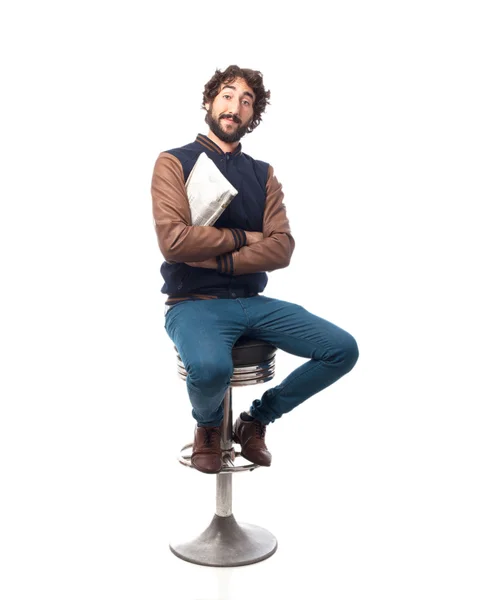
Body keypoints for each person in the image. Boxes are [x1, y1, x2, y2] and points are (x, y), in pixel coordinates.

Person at [151, 65, 359, 474]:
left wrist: (215, 251)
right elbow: (174, 242)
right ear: (210, 102)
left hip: (252, 301)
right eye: (228, 96)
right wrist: (247, 239)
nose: (236, 107)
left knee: (342, 349)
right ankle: (209, 427)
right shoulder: (173, 162)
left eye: (247, 102)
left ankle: (256, 420)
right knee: (211, 368)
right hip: (193, 303)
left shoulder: (263, 174)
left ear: (253, 115)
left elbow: (281, 248)